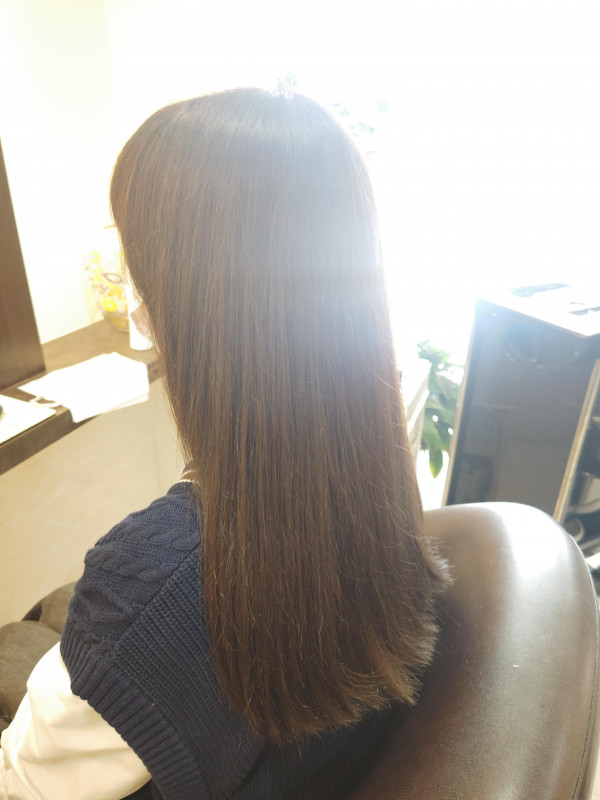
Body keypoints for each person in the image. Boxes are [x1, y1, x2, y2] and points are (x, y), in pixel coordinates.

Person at [0, 87, 450, 800]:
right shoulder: (373, 469)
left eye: (136, 264)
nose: (133, 295)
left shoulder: (150, 592)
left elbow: (21, 782)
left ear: (179, 300)